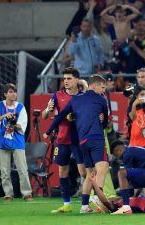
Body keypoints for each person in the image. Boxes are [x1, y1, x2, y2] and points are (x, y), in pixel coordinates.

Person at [44, 75, 110, 213]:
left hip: (82, 141)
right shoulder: (101, 99)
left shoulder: (75, 100)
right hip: (96, 139)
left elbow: (60, 116)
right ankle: (97, 198)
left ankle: (84, 206)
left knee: (90, 173)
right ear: (95, 85)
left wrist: (48, 131)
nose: (103, 91)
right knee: (102, 168)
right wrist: (101, 122)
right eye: (102, 87)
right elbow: (105, 122)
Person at [41, 67, 87, 213]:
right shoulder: (57, 95)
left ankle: (88, 202)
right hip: (62, 138)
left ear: (76, 80)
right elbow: (44, 116)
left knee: (84, 172)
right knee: (62, 171)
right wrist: (48, 110)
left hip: (79, 139)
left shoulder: (83, 96)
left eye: (69, 78)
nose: (66, 81)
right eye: (64, 78)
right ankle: (66, 205)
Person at [0, 83, 32, 202]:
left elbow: (22, 126)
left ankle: (27, 194)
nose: (13, 94)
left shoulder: (20, 107)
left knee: (22, 169)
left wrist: (13, 123)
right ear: (5, 94)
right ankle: (8, 194)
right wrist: (4, 116)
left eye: (14, 91)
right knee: (4, 171)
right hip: (2, 141)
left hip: (17, 141)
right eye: (10, 92)